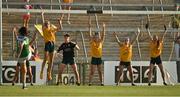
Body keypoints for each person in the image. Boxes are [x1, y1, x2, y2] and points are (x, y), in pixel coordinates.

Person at [40, 12, 62, 81]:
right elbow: (43, 23)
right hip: (47, 44)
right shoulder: (44, 29)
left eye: (48, 24)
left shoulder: (52, 30)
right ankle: (42, 71)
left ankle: (49, 73)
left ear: (50, 25)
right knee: (45, 59)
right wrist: (42, 15)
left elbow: (60, 28)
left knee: (51, 60)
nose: (47, 25)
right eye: (46, 24)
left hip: (52, 44)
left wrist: (60, 22)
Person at [88, 17, 105, 86]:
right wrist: (89, 27)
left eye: (97, 36)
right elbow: (89, 35)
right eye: (95, 36)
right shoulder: (92, 42)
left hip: (99, 58)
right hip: (94, 58)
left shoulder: (101, 42)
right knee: (92, 71)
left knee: (100, 71)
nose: (96, 37)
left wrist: (104, 28)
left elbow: (103, 35)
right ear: (94, 37)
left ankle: (102, 83)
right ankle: (90, 83)